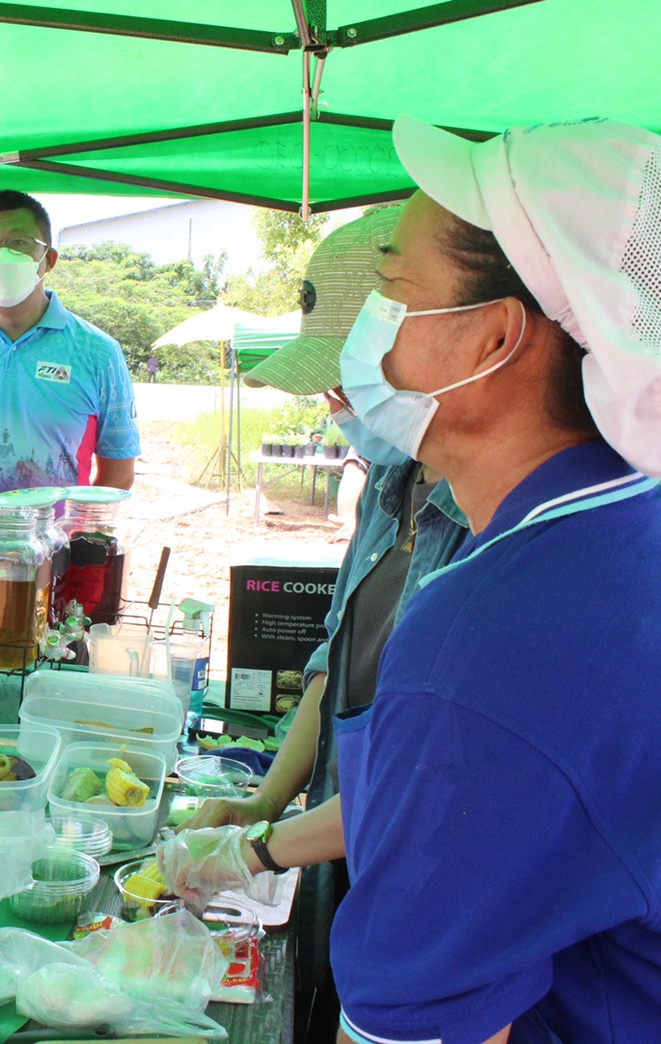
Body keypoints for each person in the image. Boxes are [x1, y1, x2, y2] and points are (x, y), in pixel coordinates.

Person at [184, 117, 661, 1044]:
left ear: (493, 340)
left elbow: (425, 1029)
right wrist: (256, 836)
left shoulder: (491, 631)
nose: (366, 335)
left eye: (392, 286)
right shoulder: (632, 543)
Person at [181, 207, 473, 1044]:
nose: (335, 404)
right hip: (337, 833)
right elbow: (334, 659)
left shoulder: (501, 529)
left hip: (413, 872)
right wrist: (265, 800)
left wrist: (263, 848)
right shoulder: (393, 490)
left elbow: (434, 779)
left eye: (348, 378)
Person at [0, 190, 139, 495]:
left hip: (57, 540)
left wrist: (75, 536)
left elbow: (118, 475)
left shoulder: (98, 352)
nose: (2, 256)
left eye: (18, 243)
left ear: (48, 259)